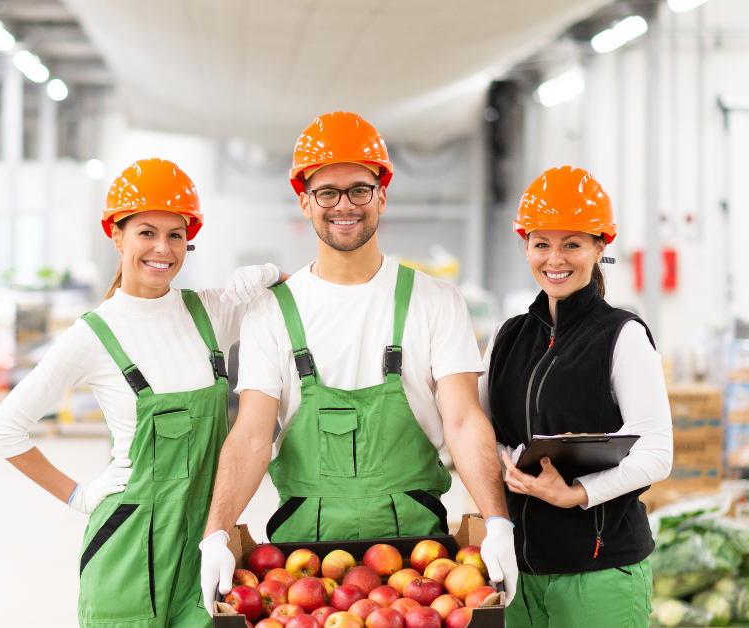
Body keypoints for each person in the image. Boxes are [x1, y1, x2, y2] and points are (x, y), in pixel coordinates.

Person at [199, 111, 519, 613]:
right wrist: (216, 533)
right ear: (305, 201)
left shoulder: (435, 301)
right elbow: (252, 436)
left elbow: (463, 420)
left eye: (359, 190)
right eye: (327, 192)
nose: (344, 205)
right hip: (300, 567)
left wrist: (496, 520)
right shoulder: (272, 311)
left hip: (419, 569)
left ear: (381, 196)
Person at [0, 158, 287, 628]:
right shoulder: (93, 335)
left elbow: (303, 303)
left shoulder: (211, 311)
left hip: (207, 540)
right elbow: (4, 431)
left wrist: (274, 276)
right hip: (127, 548)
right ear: (116, 235)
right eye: (147, 232)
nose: (162, 249)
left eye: (175, 235)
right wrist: (80, 496)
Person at [482, 166, 673, 628]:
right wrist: (505, 465)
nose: (555, 259)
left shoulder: (621, 335)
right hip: (518, 574)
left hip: (599, 574)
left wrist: (577, 493)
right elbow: (480, 433)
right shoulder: (507, 337)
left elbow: (657, 453)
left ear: (599, 247)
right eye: (541, 244)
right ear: (525, 246)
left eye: (571, 244)